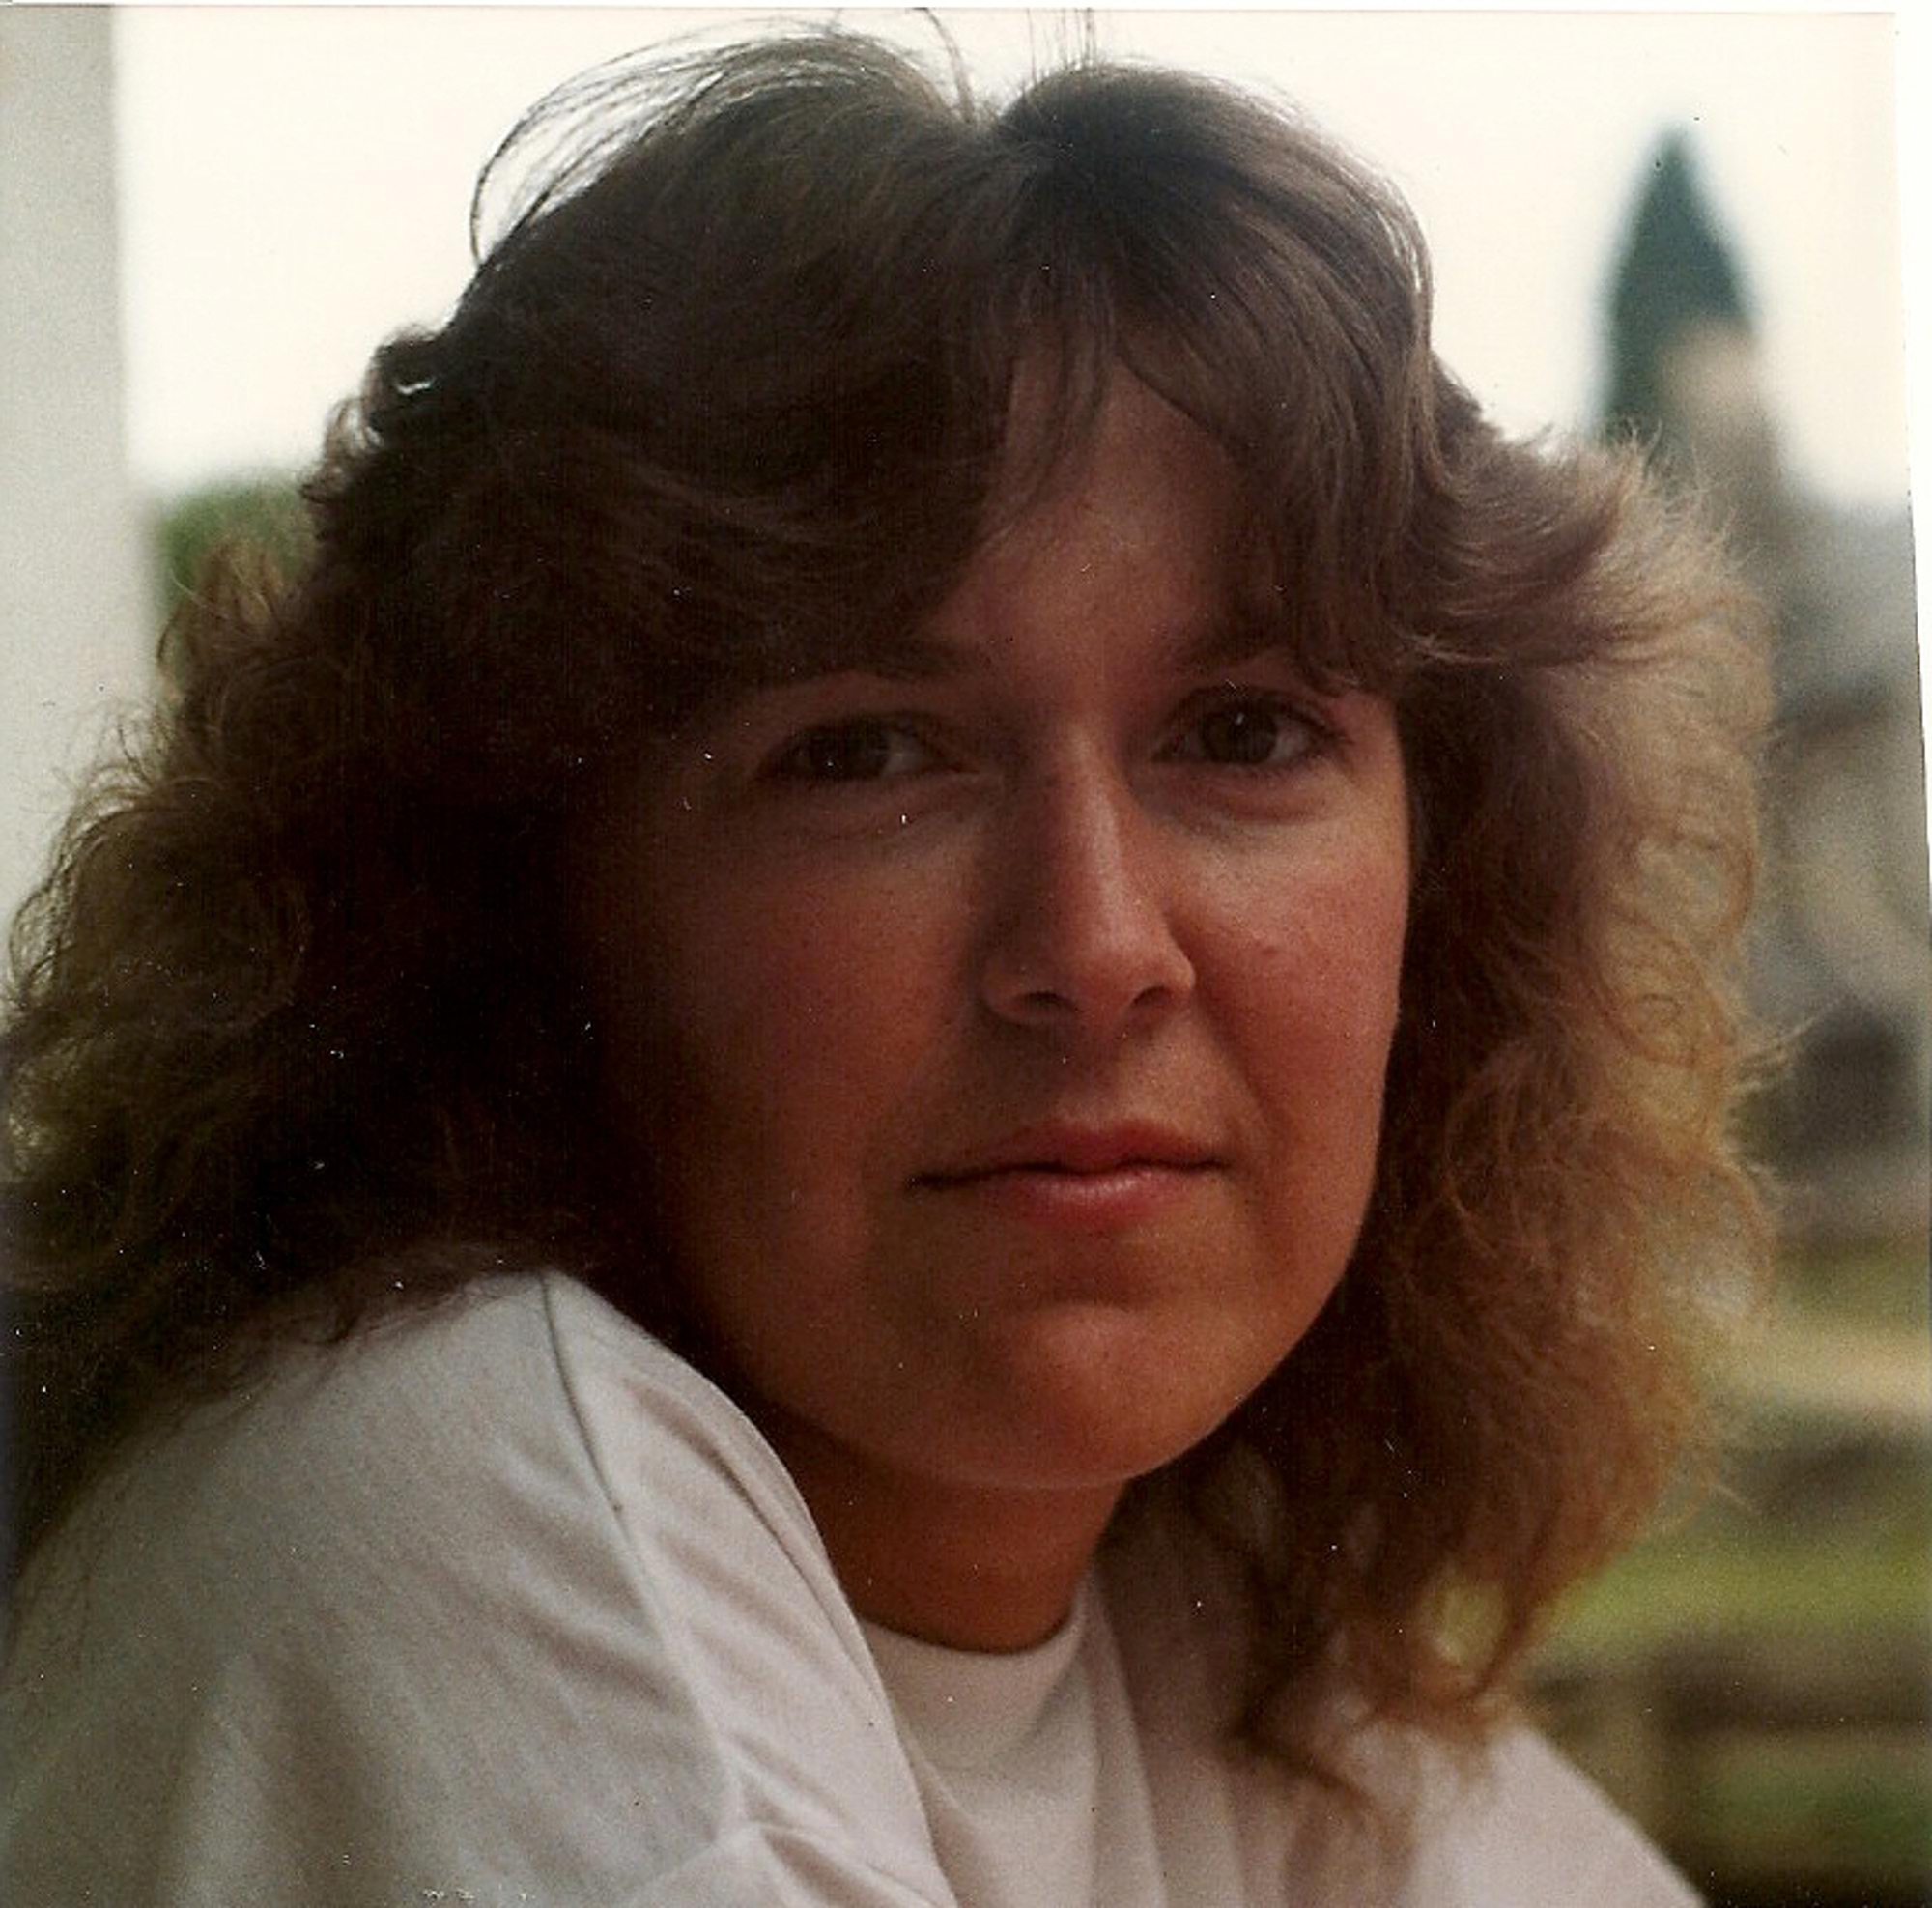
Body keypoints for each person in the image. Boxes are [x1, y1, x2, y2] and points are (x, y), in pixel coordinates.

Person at [1, 29, 1768, 1905]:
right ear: (524, 889)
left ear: (1448, 876)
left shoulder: (1209, 1646)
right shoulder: (466, 1510)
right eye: (866, 754)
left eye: (1243, 734)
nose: (1096, 947)